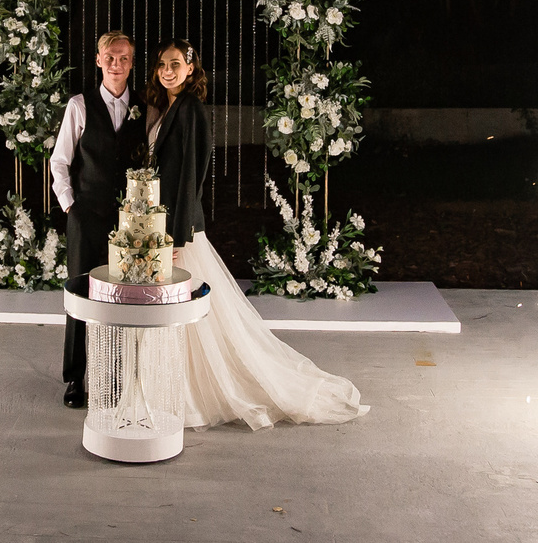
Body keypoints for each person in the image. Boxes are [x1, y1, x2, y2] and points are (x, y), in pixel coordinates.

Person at [138, 40, 369, 430]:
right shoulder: (168, 108)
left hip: (179, 229)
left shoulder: (191, 109)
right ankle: (172, 385)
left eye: (175, 64)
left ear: (191, 70)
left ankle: (193, 393)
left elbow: (191, 175)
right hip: (162, 223)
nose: (167, 71)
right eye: (162, 64)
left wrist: (176, 238)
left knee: (190, 313)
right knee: (180, 314)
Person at [48, 30, 144, 408]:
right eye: (110, 58)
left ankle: (116, 378)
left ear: (131, 63)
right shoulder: (80, 104)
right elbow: (59, 160)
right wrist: (70, 204)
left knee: (122, 299)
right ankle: (75, 378)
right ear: (98, 61)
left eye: (123, 58)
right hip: (86, 215)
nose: (116, 64)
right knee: (79, 295)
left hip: (127, 222)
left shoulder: (144, 105)